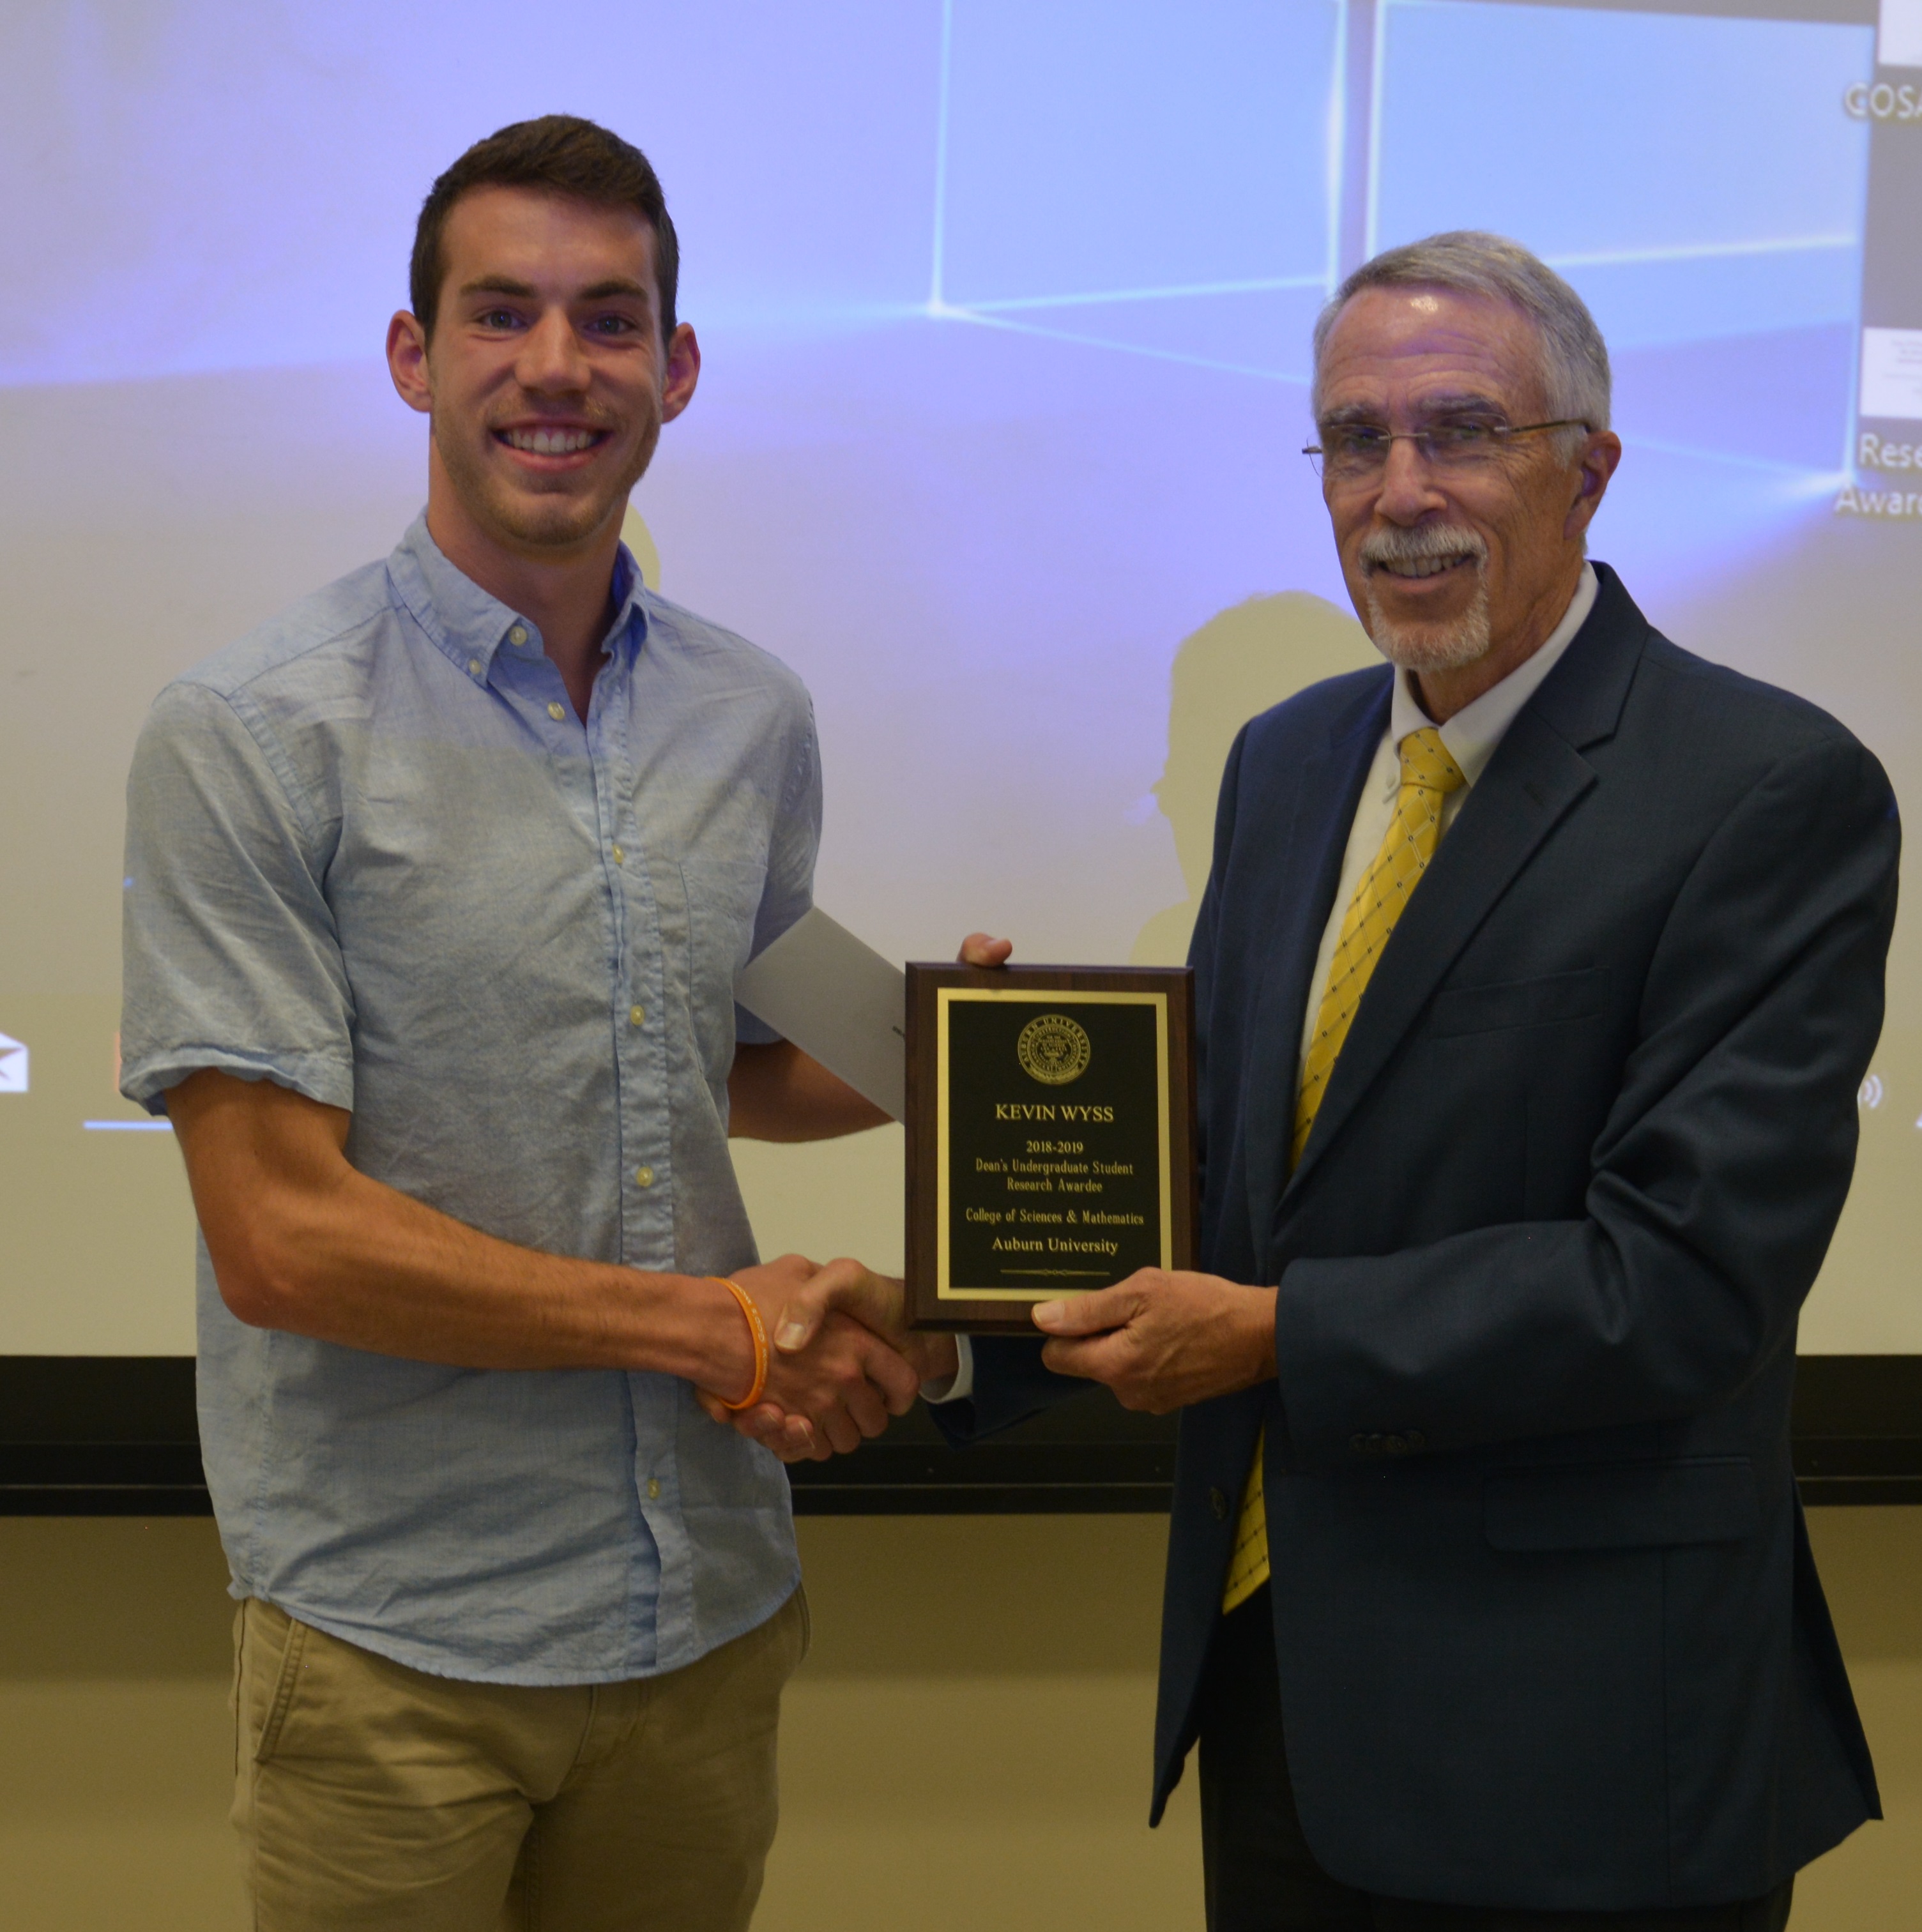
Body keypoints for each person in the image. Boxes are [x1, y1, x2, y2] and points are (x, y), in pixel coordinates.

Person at [751, 232, 1899, 1928]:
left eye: (1460, 432)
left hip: (1586, 1750)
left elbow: (1678, 1282)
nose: (1398, 489)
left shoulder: (1762, 790)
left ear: (1588, 469)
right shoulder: (1286, 762)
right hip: (1282, 1698)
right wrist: (949, 1322)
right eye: (1353, 439)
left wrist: (1276, 1333)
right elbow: (1220, 1187)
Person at [119, 115, 926, 1932]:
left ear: (677, 365)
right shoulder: (252, 730)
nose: (555, 367)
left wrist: (971, 1066)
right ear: (413, 356)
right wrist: (713, 1326)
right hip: (398, 1644)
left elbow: (707, 1066)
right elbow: (279, 1236)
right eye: (499, 314)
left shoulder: (751, 712)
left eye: (609, 318)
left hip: (702, 1620)